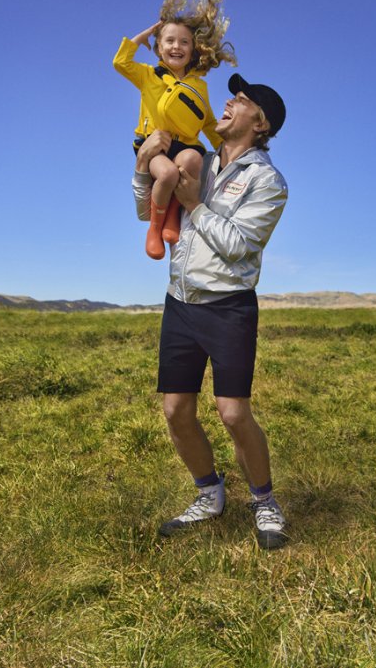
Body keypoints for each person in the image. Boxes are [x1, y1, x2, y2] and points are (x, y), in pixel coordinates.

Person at [132, 72, 289, 549]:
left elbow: (240, 247)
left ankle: (263, 501)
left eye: (239, 101)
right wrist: (143, 169)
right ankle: (209, 493)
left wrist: (195, 207)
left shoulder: (268, 181)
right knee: (176, 410)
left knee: (233, 412)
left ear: (260, 123)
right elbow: (147, 213)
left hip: (228, 308)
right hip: (180, 302)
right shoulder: (195, 157)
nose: (227, 102)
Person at [113, 0, 237, 260]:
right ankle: (155, 228)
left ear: (193, 50)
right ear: (158, 47)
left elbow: (206, 121)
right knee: (167, 173)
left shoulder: (199, 86)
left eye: (183, 42)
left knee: (192, 160)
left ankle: (172, 218)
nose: (176, 47)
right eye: (168, 41)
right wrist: (142, 36)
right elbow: (120, 62)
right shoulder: (148, 75)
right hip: (155, 145)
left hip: (186, 145)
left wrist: (226, 148)